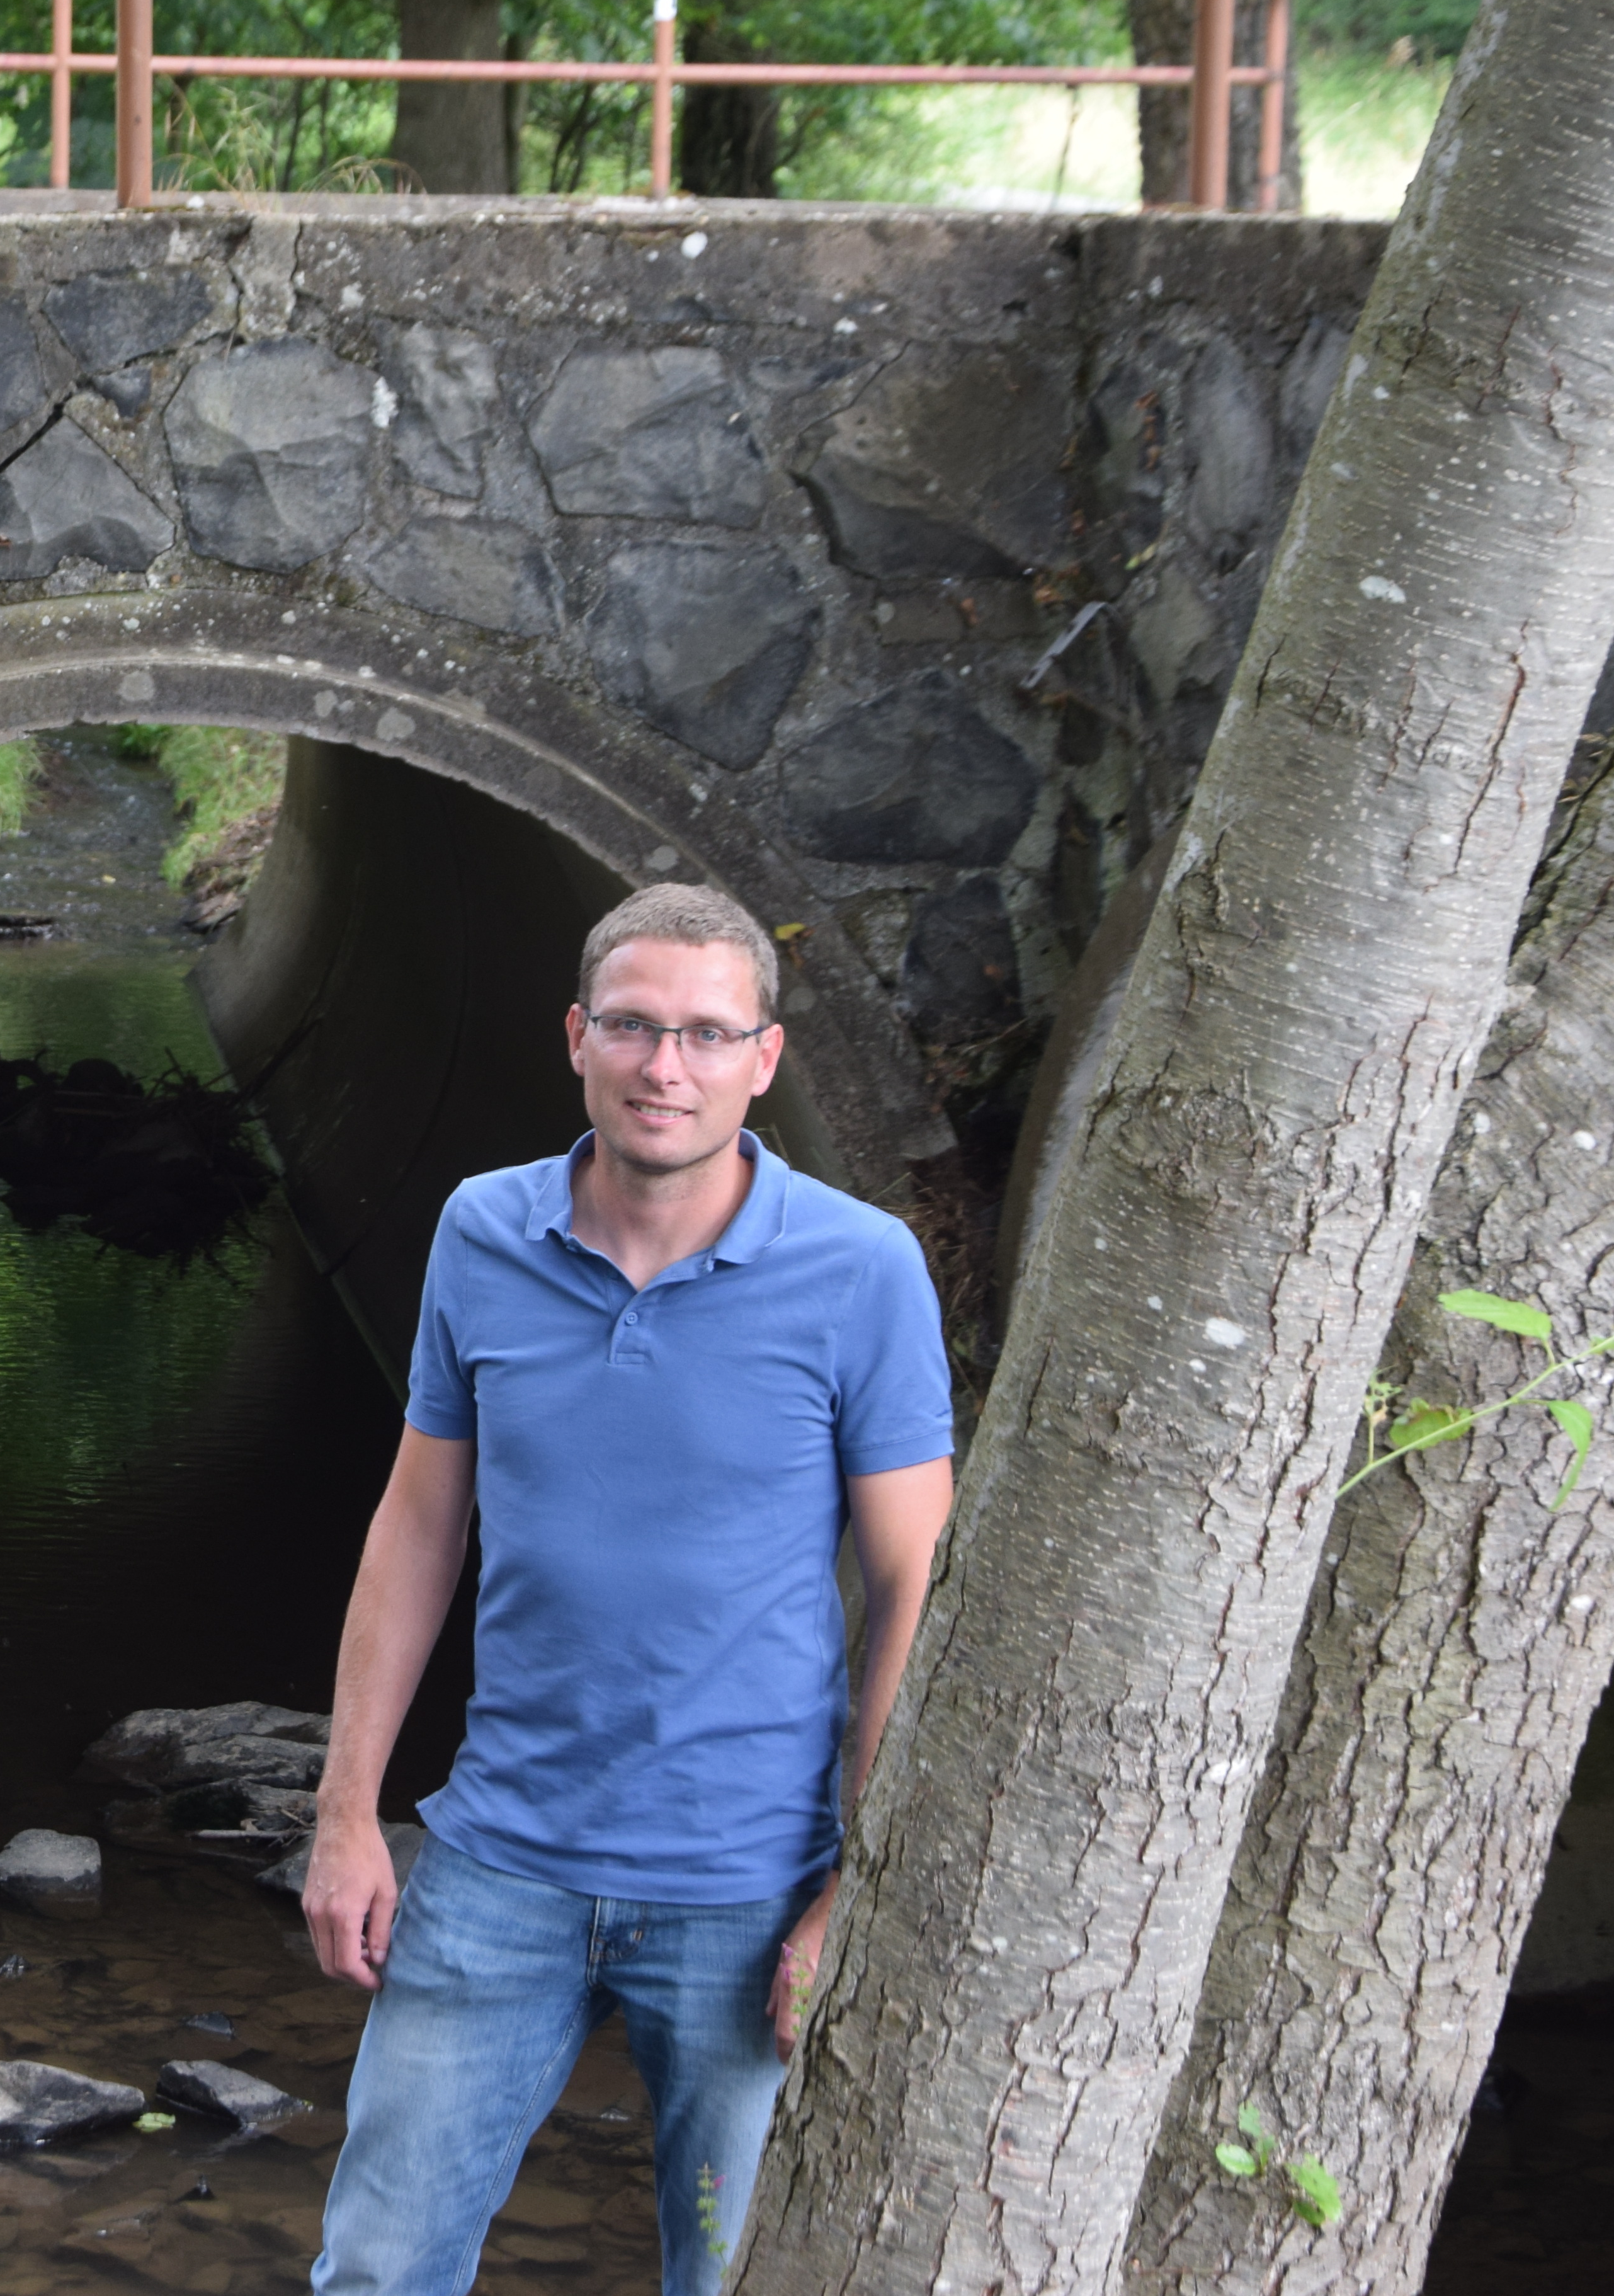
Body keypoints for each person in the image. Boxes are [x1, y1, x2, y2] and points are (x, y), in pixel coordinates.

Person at [301, 882, 957, 2296]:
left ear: (764, 1060)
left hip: (749, 1885)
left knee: (731, 2273)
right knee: (376, 2267)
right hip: (499, 1868)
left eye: (711, 1034)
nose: (670, 1067)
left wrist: (858, 1887)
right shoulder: (485, 1231)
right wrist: (347, 1813)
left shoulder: (861, 1269)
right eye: (637, 1026)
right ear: (576, 1038)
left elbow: (913, 1582)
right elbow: (419, 1523)